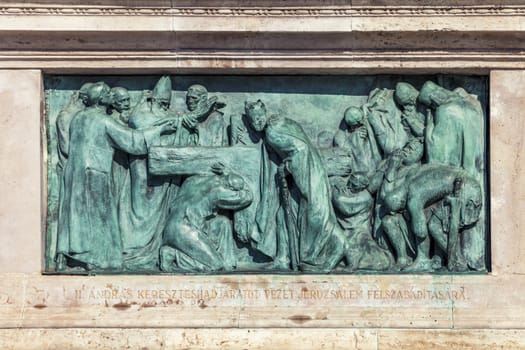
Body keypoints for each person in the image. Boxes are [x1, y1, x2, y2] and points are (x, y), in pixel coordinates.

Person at [56, 82, 177, 271]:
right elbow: (133, 141)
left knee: (75, 215)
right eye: (107, 93)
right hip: (94, 173)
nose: (111, 95)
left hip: (75, 172)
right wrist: (160, 129)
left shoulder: (79, 117)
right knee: (98, 216)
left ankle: (71, 256)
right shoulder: (103, 120)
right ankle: (98, 260)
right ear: (101, 99)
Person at [244, 99, 349, 272]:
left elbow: (300, 150)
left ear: (264, 113)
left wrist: (287, 167)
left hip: (308, 173)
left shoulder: (272, 133)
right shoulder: (280, 122)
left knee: (316, 214)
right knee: (283, 215)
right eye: (252, 120)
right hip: (305, 172)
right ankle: (283, 259)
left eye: (258, 117)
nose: (256, 123)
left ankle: (336, 248)